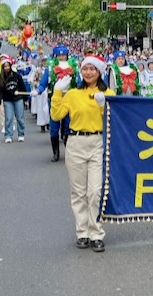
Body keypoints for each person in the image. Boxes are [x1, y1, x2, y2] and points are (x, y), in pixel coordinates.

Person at [50, 56, 114, 253]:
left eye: (92, 69)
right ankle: (82, 233)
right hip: (76, 142)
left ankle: (96, 233)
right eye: (85, 69)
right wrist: (57, 92)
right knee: (78, 192)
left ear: (99, 72)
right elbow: (56, 115)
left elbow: (114, 119)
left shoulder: (108, 93)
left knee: (94, 192)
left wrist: (104, 104)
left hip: (98, 143)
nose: (88, 72)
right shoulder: (73, 94)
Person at [34, 45, 75, 162]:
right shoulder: (51, 68)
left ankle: (69, 152)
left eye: (63, 55)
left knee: (69, 125)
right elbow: (43, 83)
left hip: (69, 99)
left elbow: (79, 83)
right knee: (54, 126)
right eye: (59, 55)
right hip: (55, 100)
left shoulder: (74, 67)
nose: (62, 57)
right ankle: (56, 153)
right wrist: (38, 90)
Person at [0, 57, 26, 144]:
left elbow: (22, 86)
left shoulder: (17, 76)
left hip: (18, 98)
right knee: (8, 118)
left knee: (20, 117)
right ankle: (8, 135)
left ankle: (21, 134)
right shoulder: (1, 78)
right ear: (2, 68)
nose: (7, 68)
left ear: (10, 66)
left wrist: (25, 98)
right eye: (5, 66)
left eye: (8, 66)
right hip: (7, 100)